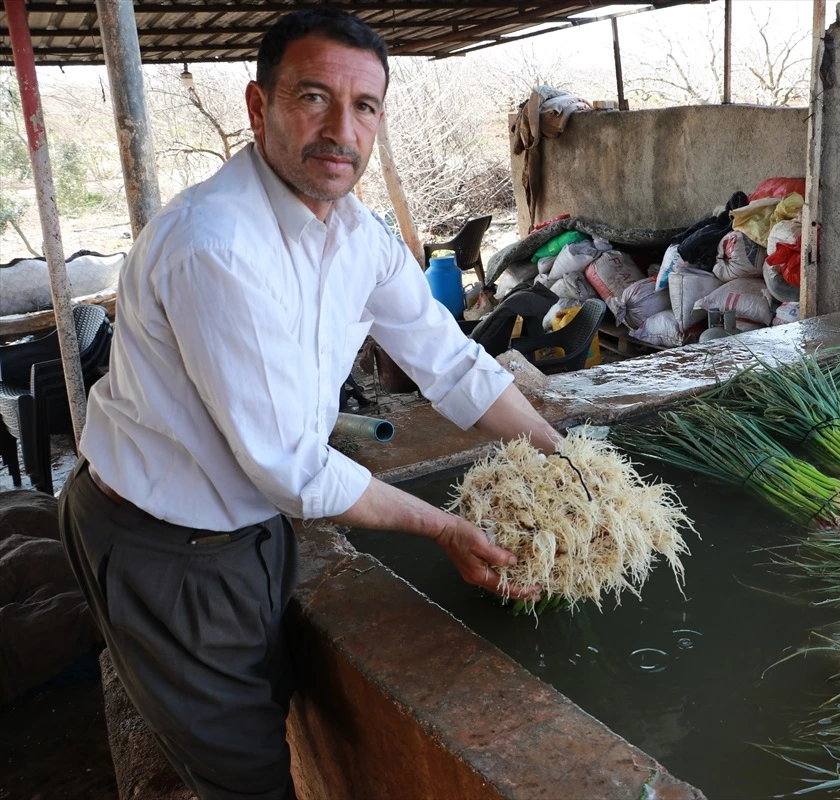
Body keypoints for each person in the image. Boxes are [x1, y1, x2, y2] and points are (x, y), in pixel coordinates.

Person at [58, 10, 557, 800]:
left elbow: (450, 361)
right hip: (164, 540)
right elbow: (291, 465)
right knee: (246, 774)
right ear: (259, 109)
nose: (340, 129)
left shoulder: (358, 235)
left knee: (274, 703)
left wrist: (557, 454)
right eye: (313, 97)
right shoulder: (215, 245)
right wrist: (444, 528)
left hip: (249, 522)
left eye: (364, 106)